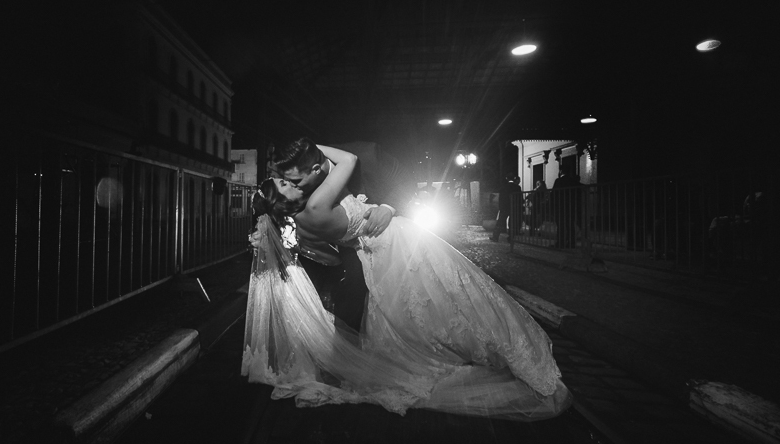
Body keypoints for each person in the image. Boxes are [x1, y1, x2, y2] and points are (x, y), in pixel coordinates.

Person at [244, 142, 572, 420]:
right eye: (285, 183)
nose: (292, 183)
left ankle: (473, 347)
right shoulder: (315, 202)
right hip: (395, 244)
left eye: (291, 178)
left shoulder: (299, 214)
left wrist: (385, 205)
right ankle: (492, 349)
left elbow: (339, 229)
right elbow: (347, 164)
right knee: (446, 298)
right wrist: (311, 147)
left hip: (384, 250)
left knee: (440, 300)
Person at [267, 138, 414, 339]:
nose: (295, 186)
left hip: (396, 240)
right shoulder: (302, 188)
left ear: (315, 169)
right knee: (354, 298)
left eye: (297, 181)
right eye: (288, 180)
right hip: (351, 251)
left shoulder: (368, 155)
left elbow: (407, 181)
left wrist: (388, 208)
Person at [491, 175, 522, 243]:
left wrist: (501, 207)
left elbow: (501, 198)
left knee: (500, 222)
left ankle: (495, 237)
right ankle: (511, 237)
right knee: (512, 222)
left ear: (507, 179)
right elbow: (519, 198)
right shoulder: (517, 187)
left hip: (505, 207)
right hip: (514, 207)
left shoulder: (504, 187)